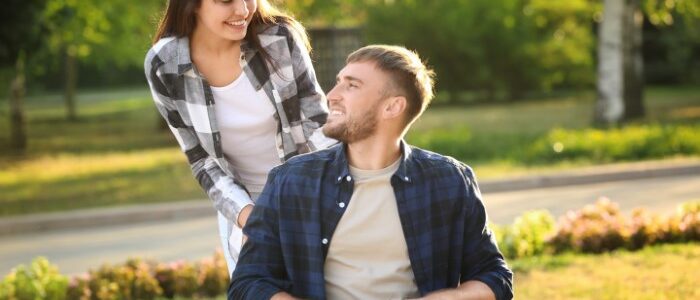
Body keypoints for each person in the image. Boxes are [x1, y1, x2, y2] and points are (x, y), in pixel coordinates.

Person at [229, 45, 513, 300]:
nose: (332, 96)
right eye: (338, 82)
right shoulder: (290, 182)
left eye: (351, 86)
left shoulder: (449, 181)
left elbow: (495, 278)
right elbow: (247, 282)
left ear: (392, 106)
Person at [143, 0, 335, 274]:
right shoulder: (165, 64)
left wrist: (321, 200)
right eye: (226, 1)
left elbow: (317, 125)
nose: (244, 10)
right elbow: (201, 160)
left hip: (310, 195)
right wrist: (252, 219)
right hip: (244, 209)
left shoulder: (278, 38)